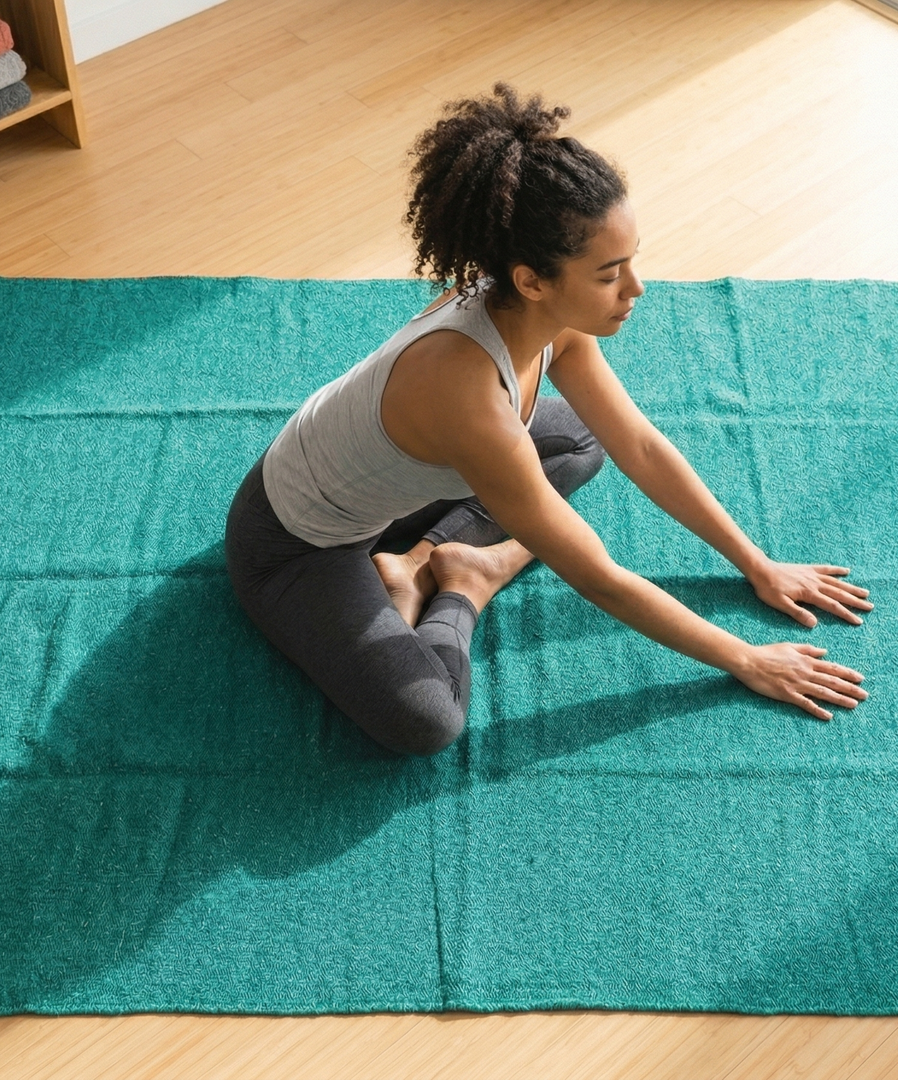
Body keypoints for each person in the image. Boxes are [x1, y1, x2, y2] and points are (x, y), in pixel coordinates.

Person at [224, 83, 871, 757]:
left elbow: (639, 447)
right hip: (294, 546)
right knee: (426, 721)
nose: (636, 290)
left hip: (383, 493)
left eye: (632, 261)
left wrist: (758, 564)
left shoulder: (542, 315)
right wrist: (746, 657)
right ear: (532, 278)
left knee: (579, 438)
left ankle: (415, 561)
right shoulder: (466, 398)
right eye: (609, 274)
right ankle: (469, 582)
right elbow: (597, 577)